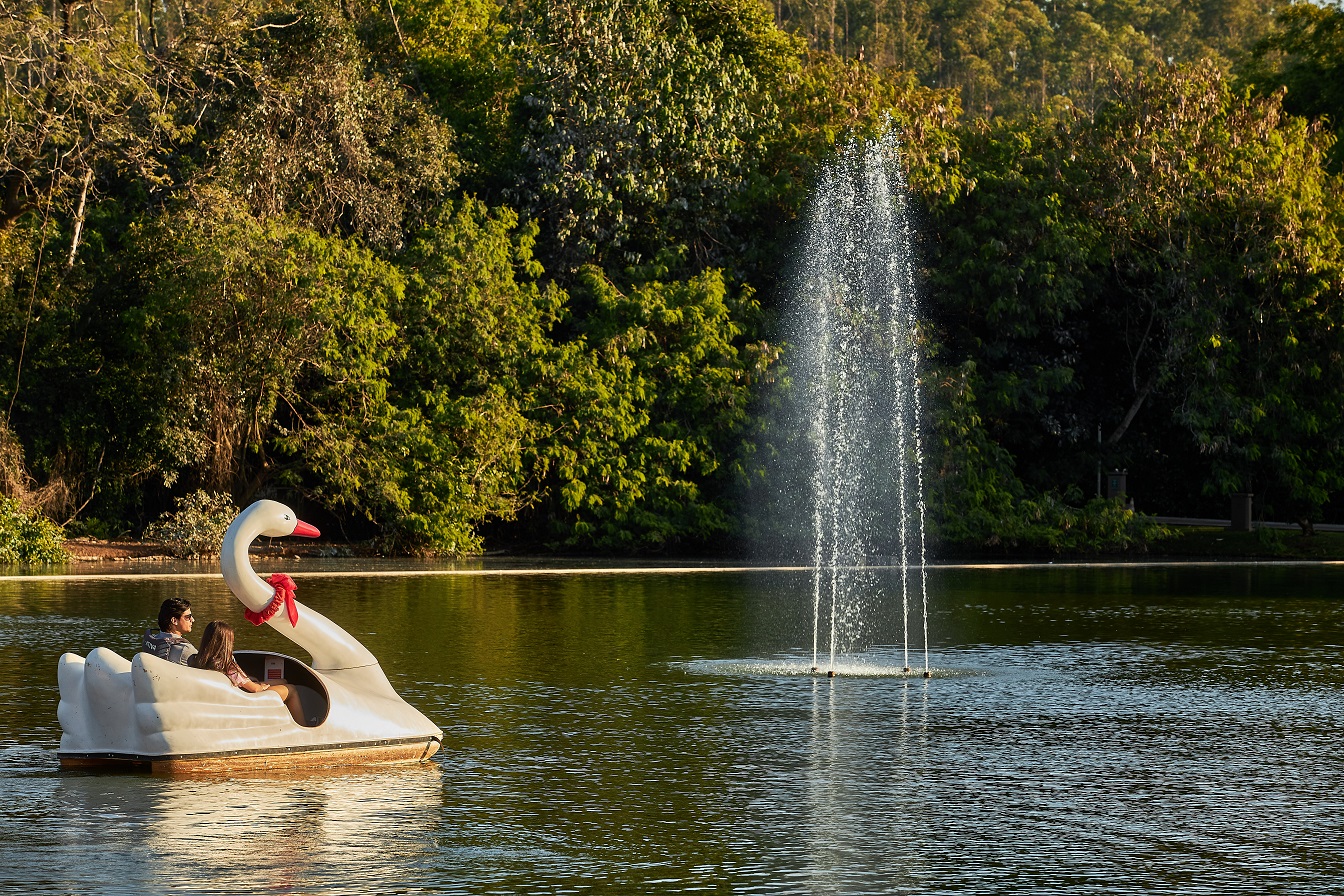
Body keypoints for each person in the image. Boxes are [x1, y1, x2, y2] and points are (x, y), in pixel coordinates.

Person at [193, 621, 306, 725]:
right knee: (291, 689)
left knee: (282, 681)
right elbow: (255, 689)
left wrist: (250, 680)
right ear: (226, 643)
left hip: (233, 696)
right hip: (247, 700)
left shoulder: (199, 661)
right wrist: (261, 686)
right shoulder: (227, 665)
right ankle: (302, 726)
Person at [141, 598, 197, 665]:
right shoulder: (185, 649)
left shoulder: (152, 641)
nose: (192, 620)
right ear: (174, 621)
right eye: (188, 617)